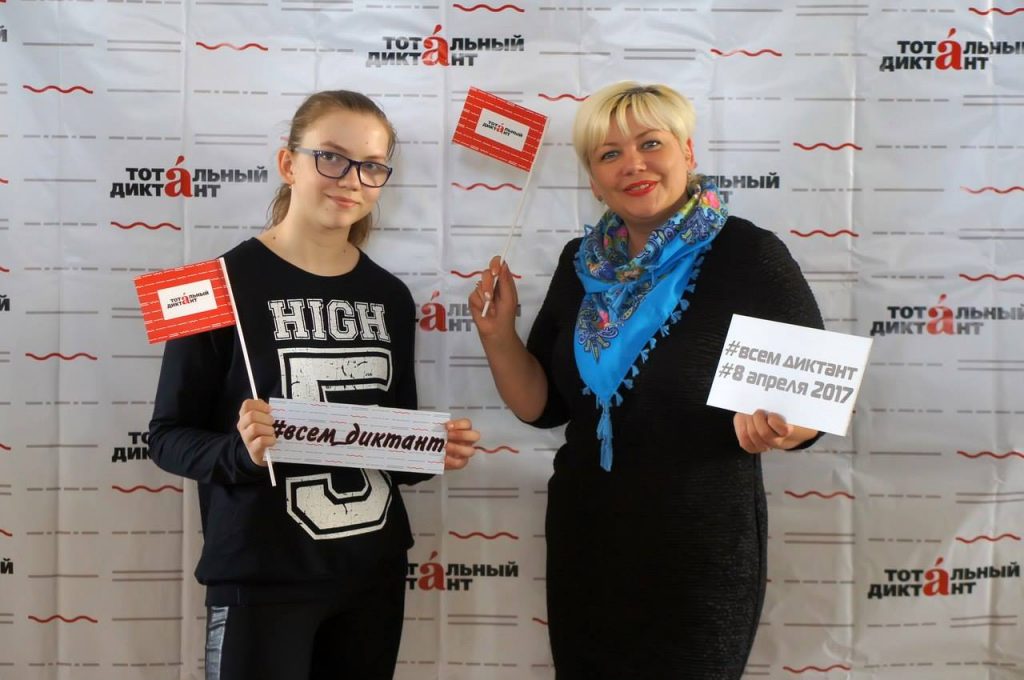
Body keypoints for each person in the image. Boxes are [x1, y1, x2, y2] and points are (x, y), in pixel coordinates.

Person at [468, 82, 824, 679]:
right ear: (593, 179)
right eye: (609, 154)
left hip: (700, 550)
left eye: (650, 143)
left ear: (687, 151)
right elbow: (542, 406)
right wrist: (497, 333)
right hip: (588, 543)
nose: (632, 164)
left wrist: (787, 429)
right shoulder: (579, 263)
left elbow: (816, 397)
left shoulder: (748, 255)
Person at [149, 90, 479, 680]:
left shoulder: (390, 296)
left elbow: (388, 449)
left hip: (371, 576)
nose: (351, 178)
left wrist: (431, 451)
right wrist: (241, 452)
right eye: (331, 156)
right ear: (288, 163)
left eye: (371, 165)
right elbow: (166, 437)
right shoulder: (205, 285)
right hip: (260, 577)